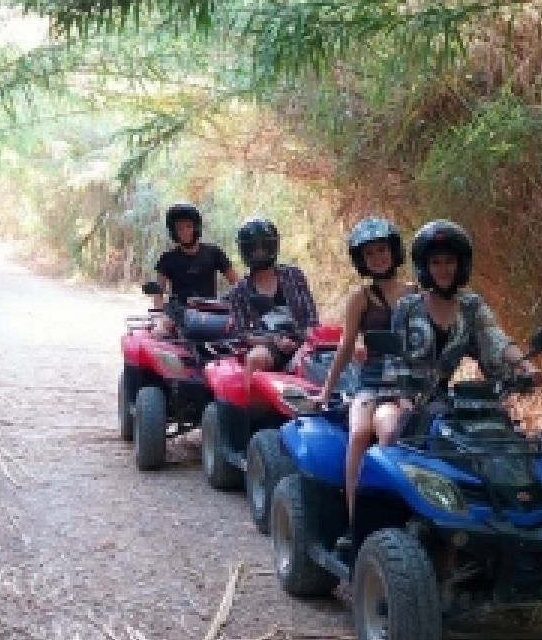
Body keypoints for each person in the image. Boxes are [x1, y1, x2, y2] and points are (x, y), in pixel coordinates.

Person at [317, 217, 418, 516]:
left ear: (393, 251)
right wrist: (326, 391)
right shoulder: (360, 298)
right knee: (360, 431)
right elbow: (346, 345)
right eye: (369, 253)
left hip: (409, 380)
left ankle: (393, 510)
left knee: (390, 430)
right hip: (371, 381)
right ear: (361, 260)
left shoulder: (417, 294)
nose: (377, 258)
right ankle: (354, 516)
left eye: (381, 250)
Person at [392, 219, 539, 396]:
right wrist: (401, 399)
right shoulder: (407, 306)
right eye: (436, 262)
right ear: (425, 267)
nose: (443, 268)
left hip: (445, 401)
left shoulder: (470, 306)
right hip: (406, 399)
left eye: (449, 261)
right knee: (394, 422)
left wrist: (527, 367)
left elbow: (495, 339)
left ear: (460, 265)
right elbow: (394, 357)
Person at [226, 216, 318, 373]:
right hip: (268, 346)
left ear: (272, 246)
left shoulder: (293, 275)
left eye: (264, 247)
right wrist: (276, 340)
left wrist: (303, 340)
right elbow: (244, 335)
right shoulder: (239, 291)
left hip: (303, 341)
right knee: (255, 359)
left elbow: (311, 318)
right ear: (246, 251)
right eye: (254, 249)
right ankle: (252, 398)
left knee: (349, 353)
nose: (259, 253)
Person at [152, 201, 234, 306]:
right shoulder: (167, 259)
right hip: (178, 316)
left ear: (196, 227)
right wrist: (161, 313)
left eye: (188, 226)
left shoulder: (214, 253)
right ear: (174, 232)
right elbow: (158, 294)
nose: (184, 231)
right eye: (179, 228)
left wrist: (229, 303)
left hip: (210, 314)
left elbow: (237, 283)